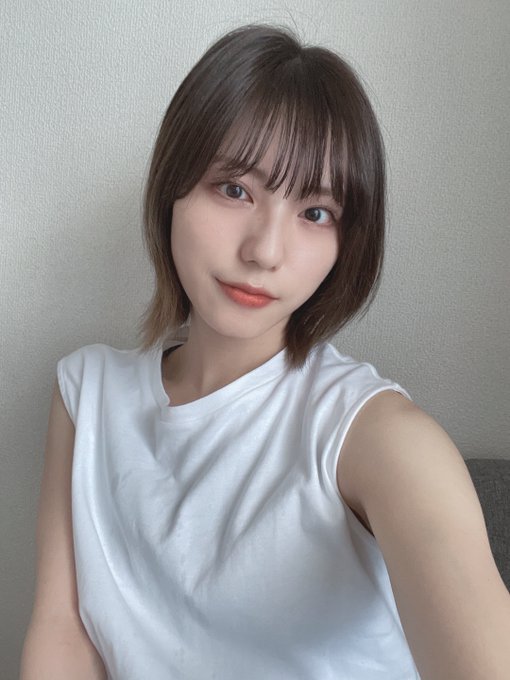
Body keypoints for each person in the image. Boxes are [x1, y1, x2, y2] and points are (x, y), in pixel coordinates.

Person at [21, 24, 510, 680]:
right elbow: (64, 633)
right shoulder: (87, 394)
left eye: (316, 213)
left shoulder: (374, 436)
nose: (265, 251)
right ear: (172, 189)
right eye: (235, 189)